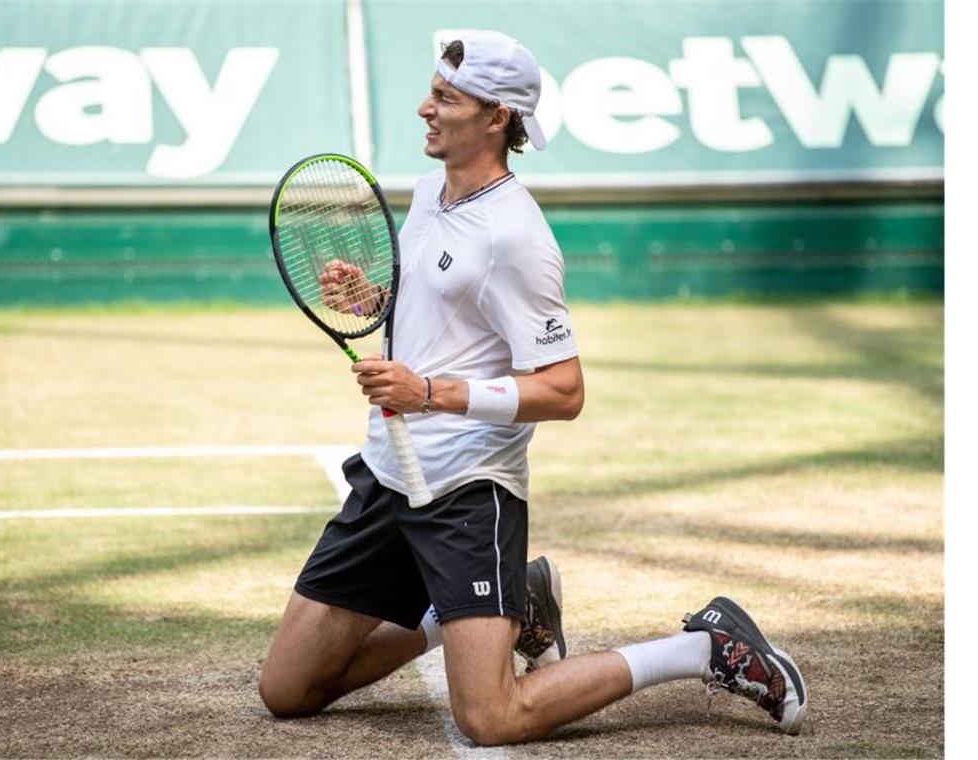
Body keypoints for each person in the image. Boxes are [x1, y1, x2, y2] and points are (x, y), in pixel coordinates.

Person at [258, 31, 807, 745]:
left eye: (445, 99)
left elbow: (563, 390)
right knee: (287, 690)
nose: (425, 108)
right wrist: (368, 300)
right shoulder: (431, 193)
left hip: (465, 493)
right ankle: (506, 605)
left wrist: (431, 392)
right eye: (431, 91)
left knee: (490, 718)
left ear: (496, 117)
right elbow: (429, 316)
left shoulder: (517, 236)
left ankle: (705, 649)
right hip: (389, 476)